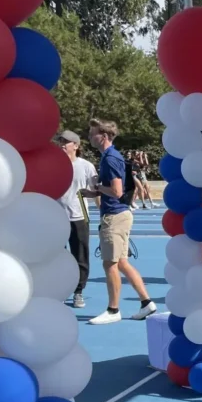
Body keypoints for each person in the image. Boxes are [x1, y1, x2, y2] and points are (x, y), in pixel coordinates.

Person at [87, 118, 157, 325]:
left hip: (115, 216)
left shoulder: (110, 158)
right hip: (119, 214)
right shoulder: (111, 156)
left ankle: (113, 309)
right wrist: (94, 190)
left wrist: (98, 188)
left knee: (110, 264)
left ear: (105, 136)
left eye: (93, 134)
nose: (90, 137)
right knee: (123, 262)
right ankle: (147, 303)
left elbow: (117, 192)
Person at [56, 130, 97, 309]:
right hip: (57, 217)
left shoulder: (86, 166)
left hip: (79, 216)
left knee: (80, 256)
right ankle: (61, 290)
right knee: (57, 257)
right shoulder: (54, 164)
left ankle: (78, 292)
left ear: (76, 146)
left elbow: (96, 190)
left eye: (67, 142)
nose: (63, 145)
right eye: (61, 141)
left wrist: (103, 211)